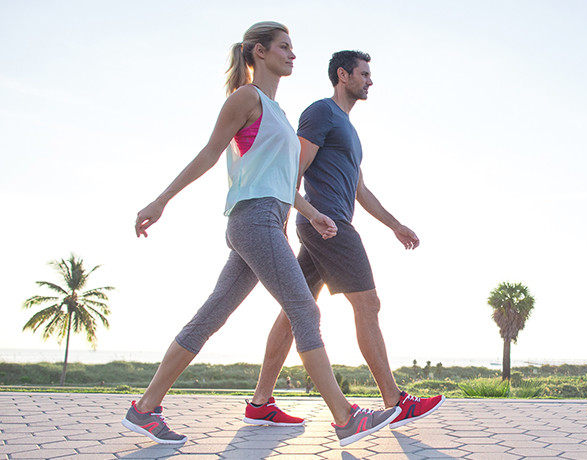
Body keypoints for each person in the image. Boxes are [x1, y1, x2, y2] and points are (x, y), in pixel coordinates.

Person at [122, 23, 399, 447]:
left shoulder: (280, 114)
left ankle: (143, 408)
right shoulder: (247, 98)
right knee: (305, 310)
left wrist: (314, 213)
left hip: (270, 220)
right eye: (284, 47)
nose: (292, 55)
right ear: (258, 52)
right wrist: (161, 200)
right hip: (253, 220)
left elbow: (283, 183)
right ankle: (346, 417)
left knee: (211, 317)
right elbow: (209, 154)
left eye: (293, 48)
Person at [244, 50, 443, 429]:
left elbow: (360, 190)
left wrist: (395, 225)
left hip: (326, 224)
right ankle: (395, 400)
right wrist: (300, 216)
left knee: (294, 311)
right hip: (328, 224)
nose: (370, 80)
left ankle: (260, 403)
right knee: (368, 304)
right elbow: (294, 167)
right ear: (343, 75)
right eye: (364, 74)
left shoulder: (348, 128)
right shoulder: (321, 113)